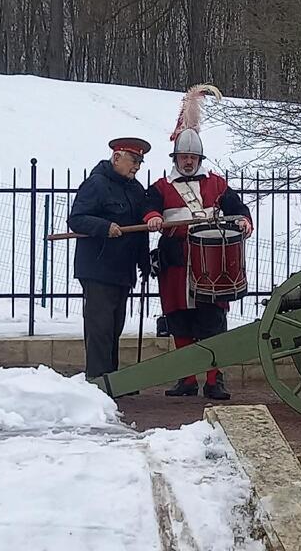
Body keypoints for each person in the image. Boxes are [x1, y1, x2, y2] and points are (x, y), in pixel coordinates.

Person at [144, 103, 252, 400]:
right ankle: (187, 378)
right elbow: (149, 207)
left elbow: (237, 208)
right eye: (184, 157)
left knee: (212, 322)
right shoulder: (161, 187)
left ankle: (214, 381)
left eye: (193, 157)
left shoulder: (217, 184)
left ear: (200, 159)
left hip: (211, 264)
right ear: (176, 158)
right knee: (180, 320)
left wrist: (244, 221)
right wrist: (152, 217)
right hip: (176, 262)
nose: (189, 161)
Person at [68, 137, 153, 381]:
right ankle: (97, 379)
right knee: (100, 328)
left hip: (122, 269)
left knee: (115, 327)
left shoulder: (135, 189)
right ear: (117, 157)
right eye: (133, 160)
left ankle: (111, 380)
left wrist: (144, 262)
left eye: (140, 162)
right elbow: (77, 219)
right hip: (98, 267)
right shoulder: (96, 184)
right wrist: (104, 227)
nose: (137, 166)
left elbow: (140, 229)